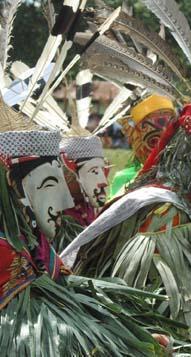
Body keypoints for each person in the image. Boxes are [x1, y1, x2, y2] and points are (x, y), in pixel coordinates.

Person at [0, 98, 174, 354]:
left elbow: (64, 295)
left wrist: (129, 333)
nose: (65, 200)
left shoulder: (33, 239)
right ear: (12, 187)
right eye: (49, 185)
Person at [109, 94, 175, 199]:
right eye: (153, 141)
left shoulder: (184, 180)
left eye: (169, 141)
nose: (162, 150)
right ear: (133, 136)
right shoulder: (124, 179)